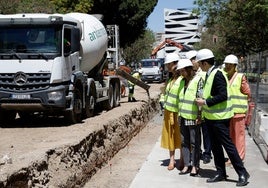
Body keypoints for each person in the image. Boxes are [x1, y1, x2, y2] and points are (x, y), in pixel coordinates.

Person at [195, 49, 250, 186]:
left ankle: (242, 173)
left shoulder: (217, 74)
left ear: (205, 63)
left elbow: (223, 95)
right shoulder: (209, 74)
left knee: (228, 146)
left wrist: (205, 102)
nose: (199, 66)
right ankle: (221, 172)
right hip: (211, 118)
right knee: (215, 147)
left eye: (200, 63)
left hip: (220, 118)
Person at [176, 59, 203, 176]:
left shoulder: (198, 81)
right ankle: (187, 164)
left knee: (194, 143)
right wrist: (178, 115)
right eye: (180, 71)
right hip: (182, 117)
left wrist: (199, 115)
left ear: (189, 69)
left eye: (183, 71)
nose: (181, 73)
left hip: (193, 117)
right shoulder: (182, 82)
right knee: (184, 142)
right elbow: (180, 100)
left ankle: (195, 166)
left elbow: (200, 98)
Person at [223, 54, 251, 163]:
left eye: (230, 64)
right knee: (231, 137)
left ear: (235, 66)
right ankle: (232, 157)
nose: (227, 66)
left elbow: (247, 93)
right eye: (226, 64)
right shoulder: (225, 76)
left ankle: (239, 158)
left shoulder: (240, 77)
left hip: (238, 113)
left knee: (239, 137)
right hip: (228, 113)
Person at [186, 50, 212, 164]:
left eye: (193, 60)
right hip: (195, 109)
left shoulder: (204, 72)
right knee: (197, 134)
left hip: (204, 107)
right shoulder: (192, 73)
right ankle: (199, 152)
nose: (192, 63)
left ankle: (207, 153)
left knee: (206, 132)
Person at [160, 52, 183, 170]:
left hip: (178, 112)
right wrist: (162, 100)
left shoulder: (182, 79)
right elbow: (165, 93)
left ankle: (182, 159)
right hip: (168, 112)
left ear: (175, 64)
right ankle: (172, 160)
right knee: (170, 137)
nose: (167, 67)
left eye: (169, 64)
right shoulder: (170, 79)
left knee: (180, 136)